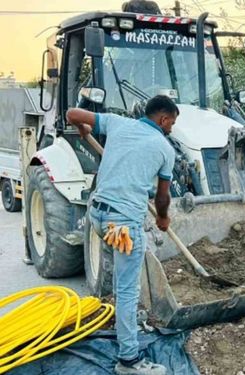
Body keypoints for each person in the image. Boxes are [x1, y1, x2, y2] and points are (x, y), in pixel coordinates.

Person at [66, 95, 178, 375]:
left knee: (120, 277)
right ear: (163, 119)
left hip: (98, 216)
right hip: (123, 225)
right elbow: (163, 199)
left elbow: (72, 114)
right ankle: (129, 360)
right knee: (129, 289)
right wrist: (163, 218)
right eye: (172, 123)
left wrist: (83, 130)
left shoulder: (117, 123)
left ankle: (123, 319)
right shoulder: (165, 149)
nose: (172, 128)